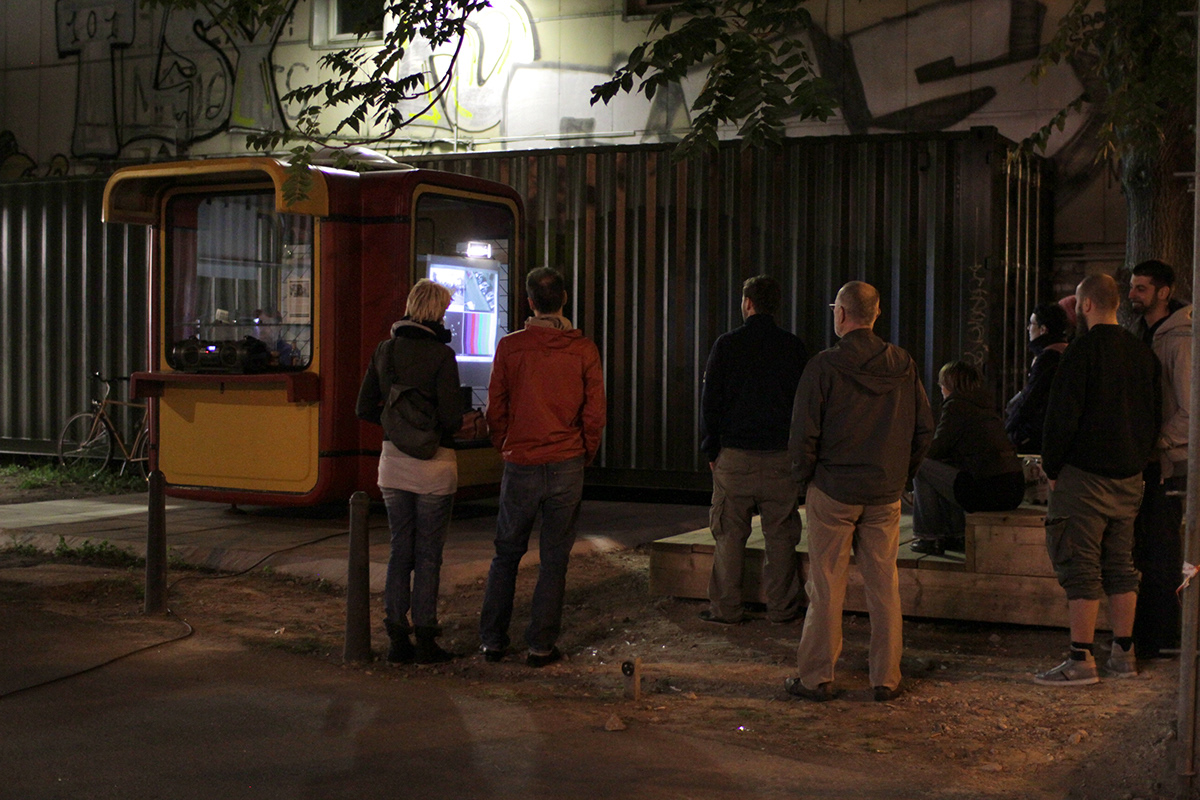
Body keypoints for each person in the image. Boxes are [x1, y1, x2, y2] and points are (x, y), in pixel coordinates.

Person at [786, 281, 934, 702]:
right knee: (883, 585)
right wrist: (902, 474)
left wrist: (805, 480)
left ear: (841, 314)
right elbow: (925, 429)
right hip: (884, 493)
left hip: (833, 490)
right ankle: (886, 678)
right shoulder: (903, 364)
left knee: (827, 586)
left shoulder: (824, 367)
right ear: (876, 312)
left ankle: (817, 677)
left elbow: (803, 434)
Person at [1034, 273, 1160, 686]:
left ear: (1087, 305)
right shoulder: (1142, 353)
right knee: (1122, 566)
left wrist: (1051, 469)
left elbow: (1061, 418)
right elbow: (1153, 414)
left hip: (1084, 479)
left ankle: (1080, 659)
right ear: (1117, 303)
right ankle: (1124, 654)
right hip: (1130, 476)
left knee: (1082, 567)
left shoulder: (1080, 352)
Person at [479, 266, 606, 667]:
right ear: (564, 299)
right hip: (566, 461)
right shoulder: (583, 349)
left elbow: (495, 405)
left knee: (506, 553)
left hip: (522, 462)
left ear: (530, 302)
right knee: (555, 558)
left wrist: (504, 443)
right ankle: (540, 645)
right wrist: (585, 451)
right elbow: (595, 412)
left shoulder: (511, 347)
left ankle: (493, 641)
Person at [355, 279, 465, 665]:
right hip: (434, 467)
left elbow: (364, 407)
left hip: (393, 465)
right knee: (429, 555)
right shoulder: (441, 356)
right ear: (437, 311)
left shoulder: (385, 350)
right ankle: (427, 639)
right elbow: (451, 418)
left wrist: (396, 425)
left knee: (400, 550)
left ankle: (397, 639)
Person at [699, 275, 809, 624]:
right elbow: (804, 406)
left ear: (748, 303)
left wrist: (711, 449)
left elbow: (710, 401)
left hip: (736, 456)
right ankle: (782, 609)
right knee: (781, 536)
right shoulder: (793, 348)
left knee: (729, 535)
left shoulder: (727, 345)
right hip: (780, 457)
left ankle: (727, 608)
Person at [1128, 259, 1192, 659]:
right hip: (1157, 460)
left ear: (1164, 292)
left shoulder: (1179, 339)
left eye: (1141, 288)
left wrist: (1160, 443)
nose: (1133, 294)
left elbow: (1191, 408)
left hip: (1172, 464)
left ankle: (1164, 636)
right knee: (1151, 549)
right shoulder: (1147, 334)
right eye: (1132, 287)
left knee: (1163, 551)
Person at [911, 361, 1025, 555]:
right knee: (949, 469)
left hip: (989, 490)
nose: (940, 389)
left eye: (941, 384)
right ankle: (955, 535)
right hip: (1012, 488)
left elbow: (935, 451)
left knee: (921, 465)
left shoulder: (956, 406)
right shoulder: (984, 406)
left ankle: (929, 537)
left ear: (948, 384)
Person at [1005, 301, 1071, 454]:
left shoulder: (1047, 358)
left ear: (1043, 329)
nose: (1028, 328)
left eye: (1031, 324)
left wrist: (1008, 427)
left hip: (1042, 434)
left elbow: (1030, 398)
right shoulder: (1069, 353)